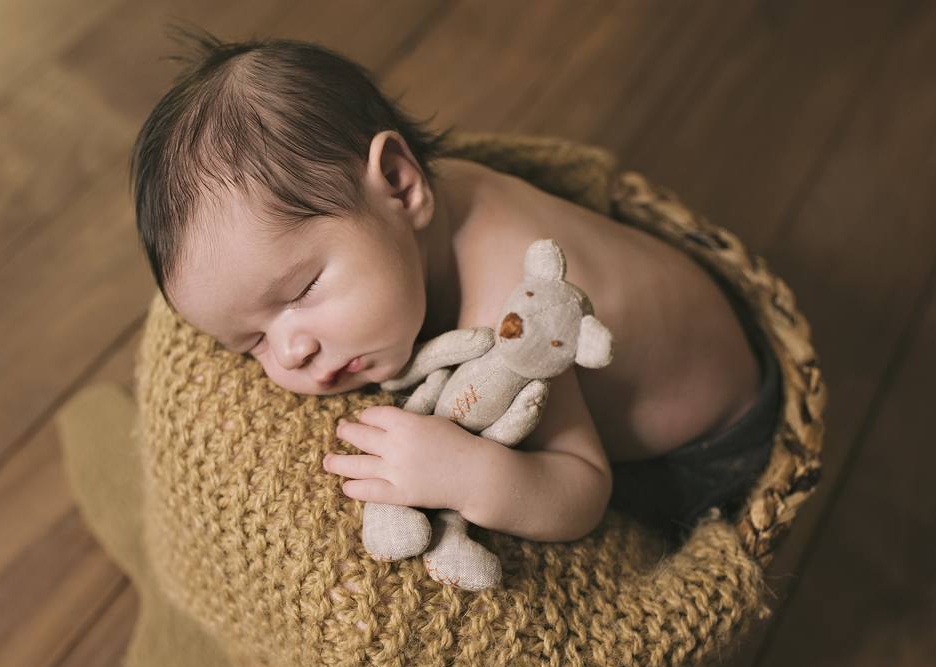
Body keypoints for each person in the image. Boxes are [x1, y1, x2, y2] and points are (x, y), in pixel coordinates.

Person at [131, 33, 780, 543]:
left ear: (401, 184)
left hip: (714, 449)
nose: (290, 350)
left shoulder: (512, 315)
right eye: (251, 342)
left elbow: (582, 491)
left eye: (301, 290)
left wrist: (468, 476)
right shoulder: (421, 213)